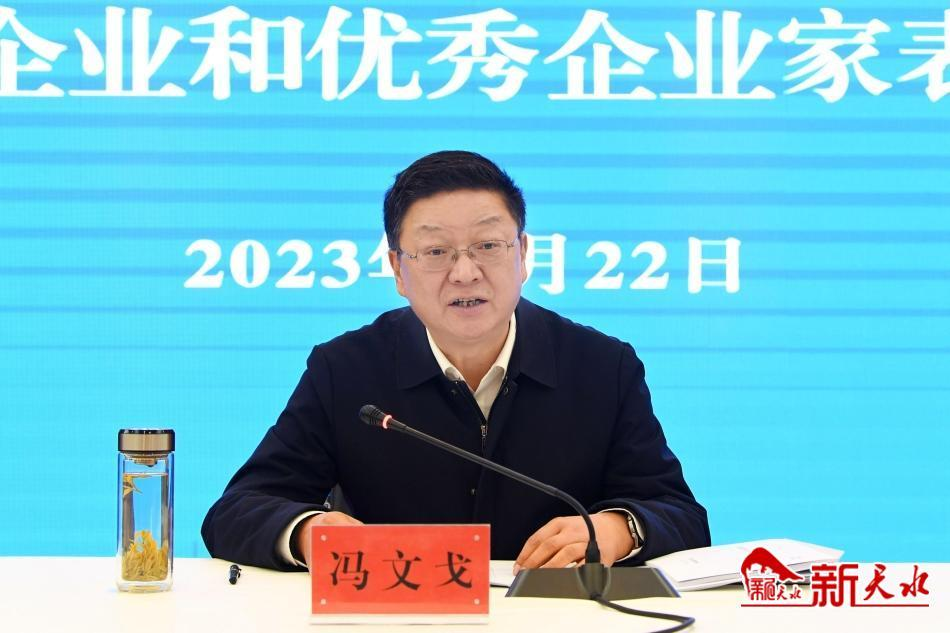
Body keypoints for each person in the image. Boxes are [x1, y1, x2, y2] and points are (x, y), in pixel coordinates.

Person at [202, 150, 709, 571]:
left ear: (523, 253)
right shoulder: (345, 370)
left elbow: (681, 515)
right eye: (436, 251)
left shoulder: (601, 367)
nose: (465, 272)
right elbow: (236, 512)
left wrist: (617, 530)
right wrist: (311, 533)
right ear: (397, 269)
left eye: (488, 245)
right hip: (399, 619)